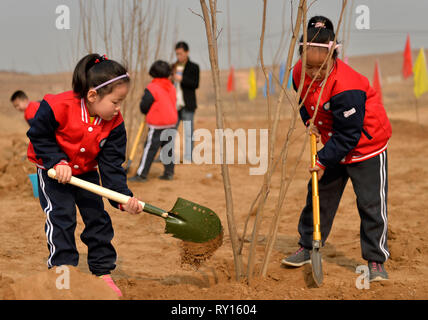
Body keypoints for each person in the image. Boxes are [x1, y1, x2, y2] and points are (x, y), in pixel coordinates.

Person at [281, 16, 392, 282]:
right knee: (318, 197)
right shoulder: (298, 72)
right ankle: (307, 246)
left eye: (320, 68)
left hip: (366, 145)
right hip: (334, 141)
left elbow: (350, 134)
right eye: (308, 66)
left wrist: (321, 161)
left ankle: (376, 260)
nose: (312, 73)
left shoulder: (348, 86)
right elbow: (302, 101)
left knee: (370, 204)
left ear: (333, 57)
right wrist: (310, 122)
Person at [26, 53, 143, 297]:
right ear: (92, 95)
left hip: (86, 172)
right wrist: (57, 161)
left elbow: (111, 166)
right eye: (115, 101)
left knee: (97, 219)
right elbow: (39, 135)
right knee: (62, 217)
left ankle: (102, 272)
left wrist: (122, 198)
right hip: (53, 172)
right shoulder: (58, 106)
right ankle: (62, 271)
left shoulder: (115, 123)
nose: (118, 109)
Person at [129, 60, 177, 182]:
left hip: (157, 124)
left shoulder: (152, 87)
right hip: (171, 122)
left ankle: (142, 174)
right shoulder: (171, 86)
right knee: (168, 149)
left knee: (149, 149)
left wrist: (145, 110)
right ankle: (169, 172)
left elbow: (144, 106)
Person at [173, 41, 200, 163]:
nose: (178, 56)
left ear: (187, 52)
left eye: (180, 53)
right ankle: (167, 156)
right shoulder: (173, 67)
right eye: (177, 54)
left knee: (188, 132)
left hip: (187, 105)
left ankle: (189, 157)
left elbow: (195, 84)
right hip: (174, 105)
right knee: (170, 132)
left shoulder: (194, 67)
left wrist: (182, 79)